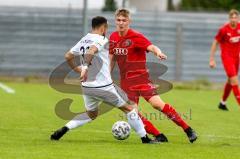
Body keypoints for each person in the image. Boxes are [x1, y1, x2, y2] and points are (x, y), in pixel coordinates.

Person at [50, 16, 156, 144]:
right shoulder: (102, 39)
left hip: (87, 86)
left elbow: (68, 56)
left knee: (91, 114)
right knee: (130, 108)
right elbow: (91, 51)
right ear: (103, 27)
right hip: (103, 87)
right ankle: (145, 139)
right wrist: (84, 68)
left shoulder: (85, 39)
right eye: (107, 27)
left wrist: (78, 70)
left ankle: (65, 128)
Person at [109, 9, 197, 143]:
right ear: (115, 21)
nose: (121, 23)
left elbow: (151, 46)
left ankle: (187, 129)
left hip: (141, 79)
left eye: (124, 20)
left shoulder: (136, 36)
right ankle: (158, 135)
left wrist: (158, 53)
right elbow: (112, 58)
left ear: (129, 21)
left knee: (157, 104)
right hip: (126, 82)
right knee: (133, 113)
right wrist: (106, 75)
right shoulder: (113, 37)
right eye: (119, 20)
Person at [209, 9, 240, 111]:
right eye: (232, 17)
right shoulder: (224, 30)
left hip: (236, 58)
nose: (234, 20)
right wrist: (212, 59)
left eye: (236, 18)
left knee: (230, 80)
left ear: (238, 18)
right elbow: (215, 42)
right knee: (235, 80)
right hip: (227, 58)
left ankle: (222, 103)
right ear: (229, 18)